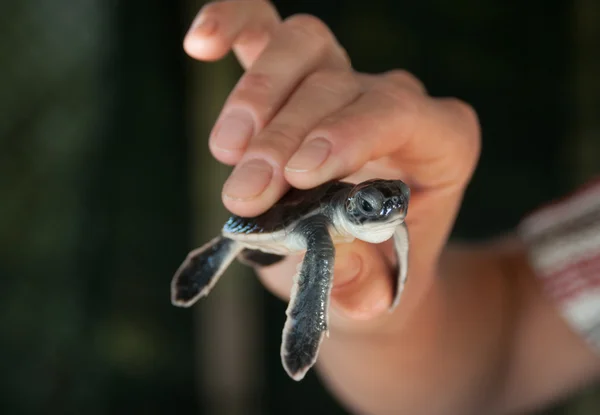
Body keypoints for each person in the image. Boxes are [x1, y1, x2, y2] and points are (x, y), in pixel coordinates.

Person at [183, 1, 600, 414]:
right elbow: (501, 353)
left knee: (324, 253)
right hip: (274, 222)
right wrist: (387, 315)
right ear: (351, 204)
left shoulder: (379, 225)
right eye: (372, 204)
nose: (390, 211)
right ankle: (217, 254)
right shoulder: (324, 234)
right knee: (251, 243)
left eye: (396, 201)